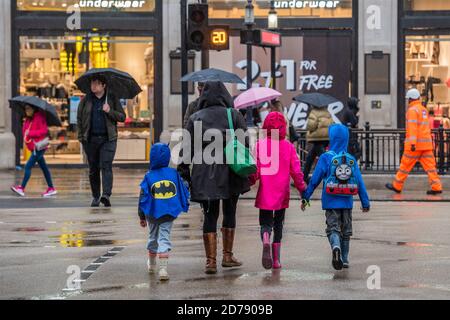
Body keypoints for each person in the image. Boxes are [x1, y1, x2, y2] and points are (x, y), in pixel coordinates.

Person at [178, 81, 250, 275]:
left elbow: (186, 148)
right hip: (230, 172)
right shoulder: (233, 115)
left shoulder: (195, 117)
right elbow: (245, 143)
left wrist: (184, 172)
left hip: (204, 174)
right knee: (230, 211)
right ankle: (227, 256)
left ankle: (210, 261)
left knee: (209, 215)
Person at [301, 124, 370, 270]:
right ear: (346, 139)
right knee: (346, 231)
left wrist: (306, 197)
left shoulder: (326, 157)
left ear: (331, 138)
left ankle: (335, 246)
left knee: (333, 229)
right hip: (346, 201)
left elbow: (314, 180)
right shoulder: (350, 159)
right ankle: (344, 259)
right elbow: (359, 181)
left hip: (330, 201)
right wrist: (365, 202)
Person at [249, 112, 306, 270]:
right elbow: (296, 172)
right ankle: (276, 260)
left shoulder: (260, 145)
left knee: (265, 223)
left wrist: (249, 181)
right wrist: (303, 191)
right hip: (282, 193)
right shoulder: (288, 146)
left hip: (265, 192)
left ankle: (266, 237)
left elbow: (256, 170)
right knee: (279, 224)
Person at [138, 143, 190, 281]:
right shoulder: (173, 174)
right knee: (164, 238)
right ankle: (163, 269)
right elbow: (182, 190)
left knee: (153, 237)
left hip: (152, 213)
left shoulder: (148, 176)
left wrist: (142, 216)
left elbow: (143, 197)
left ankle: (152, 264)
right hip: (168, 213)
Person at [77, 75, 126, 207]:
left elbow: (122, 117)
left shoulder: (111, 98)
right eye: (92, 83)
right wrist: (82, 138)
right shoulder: (86, 100)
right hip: (90, 139)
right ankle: (95, 195)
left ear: (103, 85)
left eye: (97, 83)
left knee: (106, 166)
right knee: (93, 169)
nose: (93, 86)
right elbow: (79, 120)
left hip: (108, 139)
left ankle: (106, 195)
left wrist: (110, 111)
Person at [386, 88, 443, 195]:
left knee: (405, 166)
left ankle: (397, 186)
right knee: (431, 168)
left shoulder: (412, 110)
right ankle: (436, 187)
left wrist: (412, 144)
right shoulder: (423, 109)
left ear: (410, 99)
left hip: (415, 146)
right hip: (426, 145)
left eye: (408, 99)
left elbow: (413, 128)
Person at [11, 105, 57, 198]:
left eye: (28, 109)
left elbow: (44, 131)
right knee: (44, 168)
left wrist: (31, 133)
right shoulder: (28, 119)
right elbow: (25, 132)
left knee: (28, 166)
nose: (27, 110)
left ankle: (22, 188)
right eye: (26, 108)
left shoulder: (39, 117)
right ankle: (51, 188)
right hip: (34, 147)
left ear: (33, 109)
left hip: (39, 147)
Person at [303, 105, 334, 183]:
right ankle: (304, 177)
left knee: (323, 158)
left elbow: (310, 126)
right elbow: (332, 123)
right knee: (310, 158)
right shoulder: (327, 112)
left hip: (317, 138)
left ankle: (332, 175)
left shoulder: (314, 112)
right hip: (326, 138)